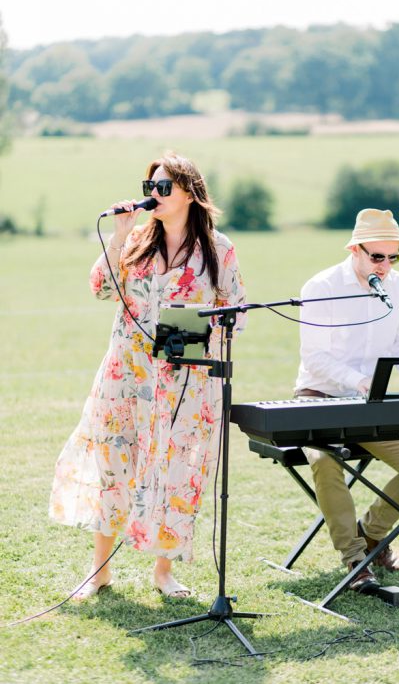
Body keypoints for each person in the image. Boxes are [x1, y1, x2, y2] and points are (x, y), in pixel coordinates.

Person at [49, 152, 246, 600]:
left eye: (163, 188)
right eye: (149, 188)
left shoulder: (219, 249)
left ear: (190, 194)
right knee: (113, 465)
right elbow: (101, 288)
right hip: (126, 374)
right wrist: (119, 235)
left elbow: (236, 310)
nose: (153, 195)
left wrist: (198, 330)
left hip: (185, 379)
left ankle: (163, 571)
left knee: (177, 471)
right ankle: (99, 572)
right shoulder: (136, 239)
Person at [294, 208, 399, 593]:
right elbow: (315, 359)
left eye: (394, 257)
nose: (386, 265)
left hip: (369, 401)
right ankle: (355, 559)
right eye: (378, 256)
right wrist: (356, 380)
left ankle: (372, 535)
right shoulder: (321, 286)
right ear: (354, 250)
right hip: (318, 397)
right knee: (326, 461)